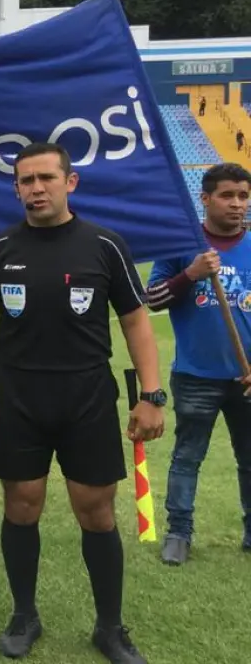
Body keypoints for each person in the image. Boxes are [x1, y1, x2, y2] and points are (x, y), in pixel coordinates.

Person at [0, 141, 165, 663]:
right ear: (16, 188)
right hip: (18, 396)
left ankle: (110, 627)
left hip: (88, 395)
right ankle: (24, 614)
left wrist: (152, 395)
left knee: (96, 512)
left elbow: (136, 321)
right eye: (25, 181)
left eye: (46, 178)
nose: (36, 188)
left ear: (70, 182)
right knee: (21, 504)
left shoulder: (105, 245)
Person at [146, 161, 251, 565]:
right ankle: (179, 532)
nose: (237, 204)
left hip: (245, 377)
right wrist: (190, 274)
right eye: (227, 195)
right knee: (187, 456)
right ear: (205, 199)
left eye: (243, 196)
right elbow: (151, 298)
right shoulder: (182, 246)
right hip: (195, 376)